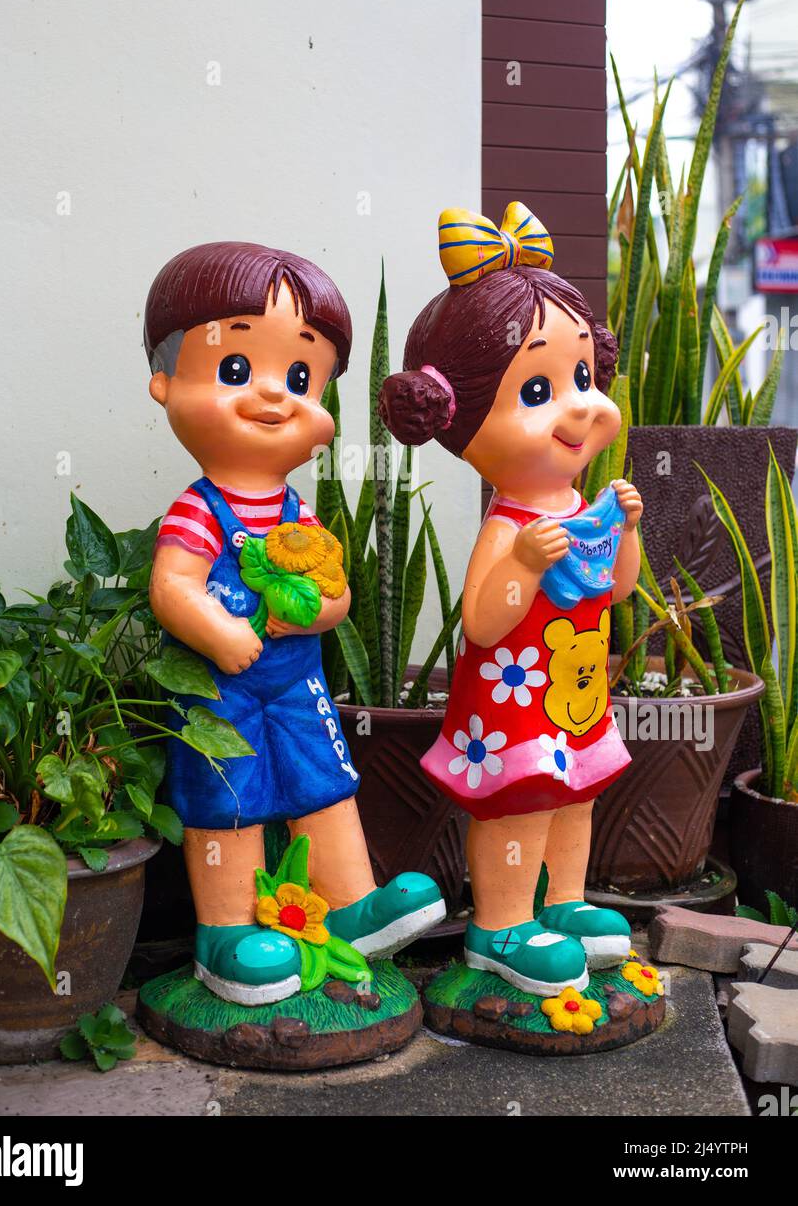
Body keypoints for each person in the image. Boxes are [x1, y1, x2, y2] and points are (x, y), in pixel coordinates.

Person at [144, 241, 444, 1005]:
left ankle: (348, 905)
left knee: (325, 788)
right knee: (229, 796)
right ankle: (226, 932)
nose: (275, 396)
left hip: (296, 683)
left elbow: (337, 590)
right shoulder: (198, 507)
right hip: (221, 689)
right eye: (237, 370)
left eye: (302, 377)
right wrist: (219, 630)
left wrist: (327, 606)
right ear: (165, 383)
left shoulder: (296, 513)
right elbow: (173, 586)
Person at [379, 203, 643, 997]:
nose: (581, 406)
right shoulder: (510, 523)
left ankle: (563, 905)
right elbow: (483, 622)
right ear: (455, 415)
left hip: (577, 697)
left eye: (584, 379)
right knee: (520, 805)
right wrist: (523, 562)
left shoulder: (578, 503)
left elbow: (617, 589)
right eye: (538, 388)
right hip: (512, 705)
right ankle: (498, 926)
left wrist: (624, 531)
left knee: (578, 798)